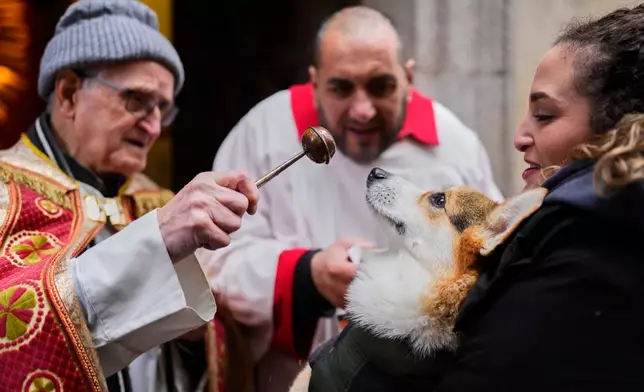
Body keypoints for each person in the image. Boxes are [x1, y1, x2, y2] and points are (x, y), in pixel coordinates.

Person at [197, 5, 503, 391]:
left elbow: (487, 263)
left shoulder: (454, 144)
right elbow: (213, 262)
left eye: (381, 85)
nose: (362, 109)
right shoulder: (265, 132)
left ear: (408, 77)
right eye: (341, 87)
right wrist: (308, 275)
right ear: (315, 81)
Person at [0, 1, 259, 392]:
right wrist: (154, 241)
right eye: (136, 99)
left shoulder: (155, 200)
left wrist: (192, 328)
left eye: (164, 109)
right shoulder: (6, 190)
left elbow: (205, 355)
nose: (154, 126)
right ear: (69, 93)